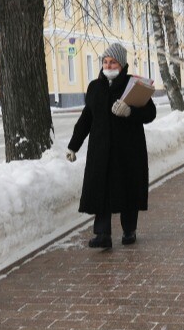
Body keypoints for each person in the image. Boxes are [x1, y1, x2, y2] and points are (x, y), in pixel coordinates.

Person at [66, 42, 157, 249]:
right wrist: (73, 145)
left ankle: (129, 230)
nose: (108, 65)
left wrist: (130, 112)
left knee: (128, 190)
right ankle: (102, 234)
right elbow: (86, 118)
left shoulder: (134, 85)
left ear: (122, 64)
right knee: (101, 191)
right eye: (105, 62)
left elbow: (150, 114)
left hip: (128, 151)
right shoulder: (95, 87)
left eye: (113, 62)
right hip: (101, 151)